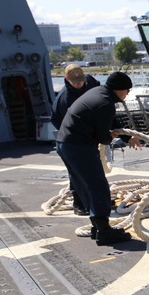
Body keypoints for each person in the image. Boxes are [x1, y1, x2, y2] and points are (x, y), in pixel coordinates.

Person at [56, 71, 141, 246]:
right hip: (78, 146)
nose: (127, 94)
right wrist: (111, 137)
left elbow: (110, 122)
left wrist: (125, 137)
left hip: (65, 143)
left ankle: (97, 226)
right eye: (127, 90)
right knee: (98, 186)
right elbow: (104, 137)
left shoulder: (99, 93)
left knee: (85, 185)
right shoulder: (105, 102)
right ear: (119, 90)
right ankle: (104, 232)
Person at [52, 64, 100, 214]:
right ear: (67, 80)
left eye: (81, 80)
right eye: (76, 81)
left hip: (88, 136)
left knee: (94, 170)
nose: (80, 84)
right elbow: (60, 122)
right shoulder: (64, 100)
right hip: (70, 138)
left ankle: (98, 199)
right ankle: (78, 202)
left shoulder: (89, 83)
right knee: (77, 171)